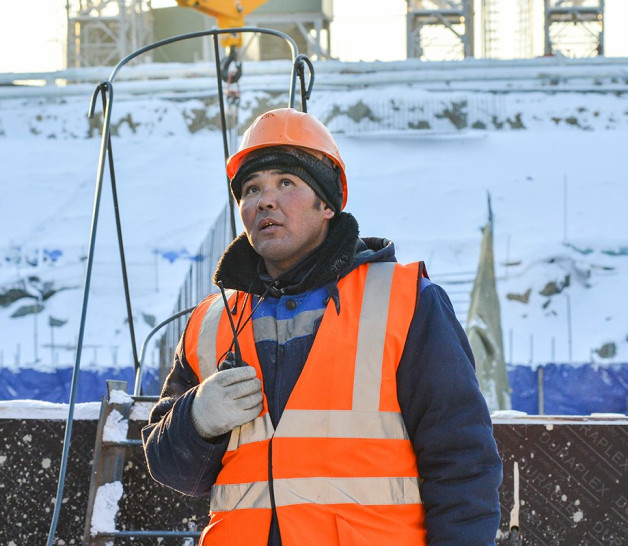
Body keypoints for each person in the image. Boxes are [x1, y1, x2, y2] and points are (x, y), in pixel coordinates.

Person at [142, 108, 502, 544]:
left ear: (327, 203)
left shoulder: (407, 302)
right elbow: (172, 470)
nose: (265, 201)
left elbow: (463, 462)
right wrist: (197, 419)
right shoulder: (210, 323)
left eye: (286, 183)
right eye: (251, 189)